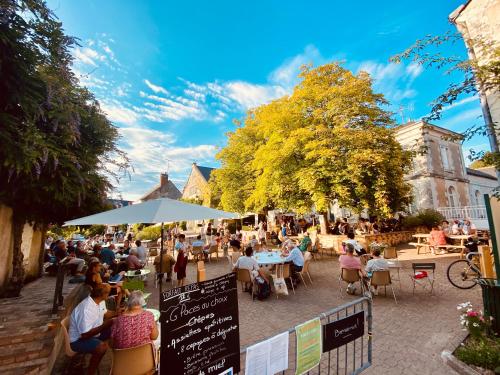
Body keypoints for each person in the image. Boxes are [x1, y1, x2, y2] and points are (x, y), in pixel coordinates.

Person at [68, 284, 116, 375]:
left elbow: (105, 314)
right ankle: (91, 372)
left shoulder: (100, 301)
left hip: (93, 333)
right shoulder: (86, 308)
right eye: (108, 293)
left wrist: (117, 312)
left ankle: (118, 359)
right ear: (102, 294)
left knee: (116, 328)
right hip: (78, 340)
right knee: (101, 347)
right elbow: (85, 335)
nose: (109, 295)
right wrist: (105, 325)